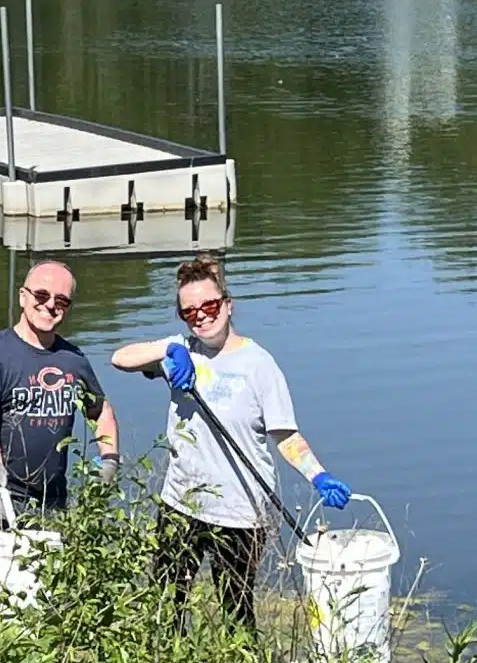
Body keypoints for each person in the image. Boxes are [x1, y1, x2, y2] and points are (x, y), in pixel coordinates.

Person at [110, 254, 351, 626]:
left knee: (237, 612)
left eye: (209, 305)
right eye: (190, 311)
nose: (202, 316)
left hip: (242, 513)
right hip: (182, 503)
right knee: (164, 606)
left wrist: (318, 476)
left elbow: (285, 435)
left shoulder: (259, 365)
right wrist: (168, 351)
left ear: (227, 304)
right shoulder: (180, 349)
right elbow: (120, 358)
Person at [0, 260, 118, 526]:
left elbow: (100, 410)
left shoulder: (73, 359)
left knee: (51, 565)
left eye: (61, 300)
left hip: (52, 499)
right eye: (41, 295)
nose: (50, 305)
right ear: (23, 297)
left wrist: (109, 461)